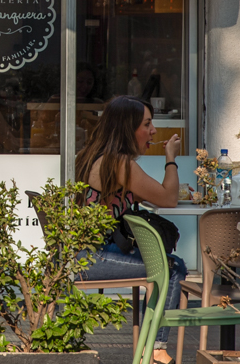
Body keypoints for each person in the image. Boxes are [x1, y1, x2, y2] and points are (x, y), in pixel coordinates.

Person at [75, 95, 185, 364]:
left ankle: (151, 344)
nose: (154, 131)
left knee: (167, 264)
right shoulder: (121, 164)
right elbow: (169, 199)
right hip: (91, 258)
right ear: (128, 128)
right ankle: (156, 349)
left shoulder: (95, 156)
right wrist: (170, 157)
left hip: (82, 253)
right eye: (147, 124)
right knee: (171, 268)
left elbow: (148, 196)